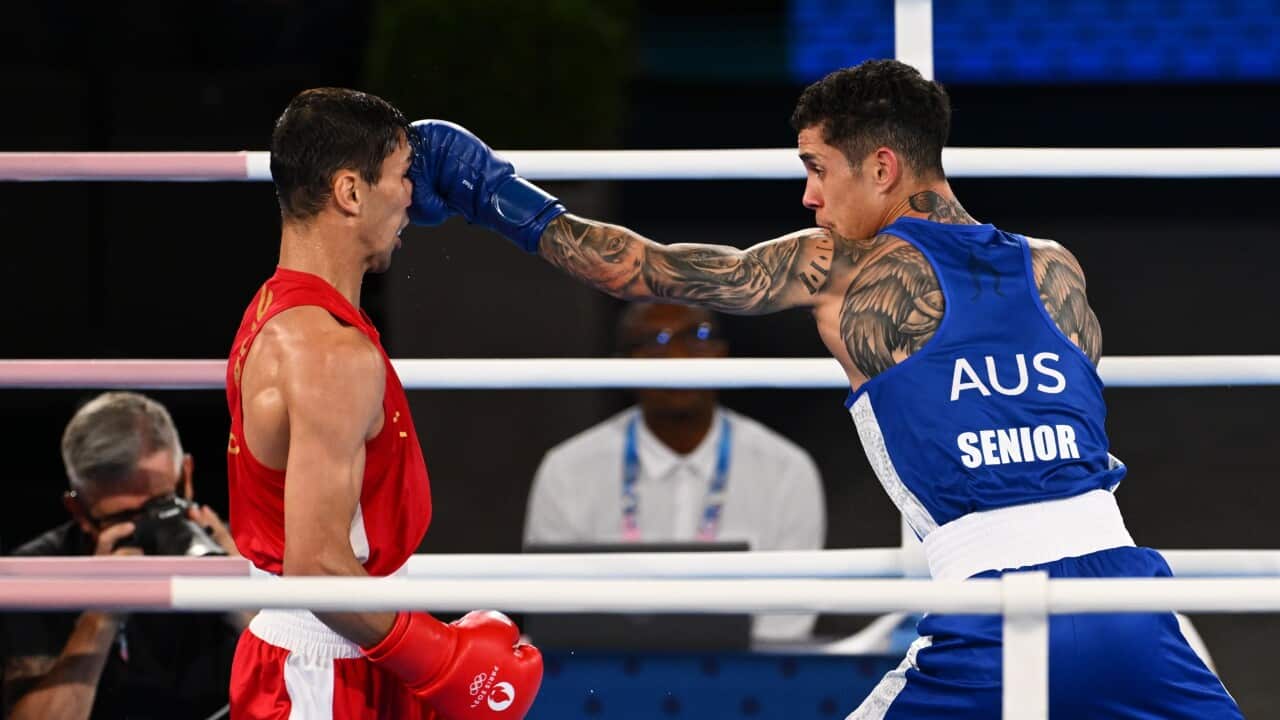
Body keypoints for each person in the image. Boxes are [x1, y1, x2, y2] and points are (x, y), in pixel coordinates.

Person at [405, 60, 1241, 718]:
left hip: (990, 616)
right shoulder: (1054, 266)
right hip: (1127, 596)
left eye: (817, 168)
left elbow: (646, 270)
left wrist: (496, 197)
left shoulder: (840, 270)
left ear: (881, 166)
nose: (808, 196)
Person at [225, 88, 541, 719]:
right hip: (328, 664)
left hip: (349, 644)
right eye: (401, 178)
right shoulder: (326, 352)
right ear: (350, 191)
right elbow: (315, 566)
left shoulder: (279, 310)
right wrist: (444, 660)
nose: (415, 201)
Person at [524, 301, 825, 641]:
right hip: (606, 675)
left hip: (742, 680)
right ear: (621, 365)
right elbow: (553, 608)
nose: (678, 356)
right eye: (654, 341)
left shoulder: (785, 468)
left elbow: (788, 621)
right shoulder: (568, 468)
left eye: (696, 336)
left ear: (722, 353)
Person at [2, 391, 243, 720]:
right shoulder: (33, 577)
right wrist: (101, 615)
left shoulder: (238, 551)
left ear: (186, 476)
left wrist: (246, 593)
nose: (151, 528)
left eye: (161, 506)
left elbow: (314, 689)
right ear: (80, 511)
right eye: (126, 518)